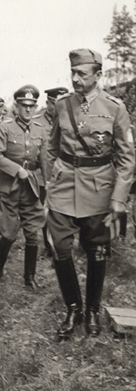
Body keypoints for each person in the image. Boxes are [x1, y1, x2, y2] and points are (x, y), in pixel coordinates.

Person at [46, 48, 135, 339]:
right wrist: (50, 180)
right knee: (59, 246)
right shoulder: (62, 105)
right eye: (72, 72)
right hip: (63, 186)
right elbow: (52, 147)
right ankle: (73, 308)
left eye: (81, 74)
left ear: (98, 75)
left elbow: (126, 158)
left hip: (99, 186)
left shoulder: (114, 107)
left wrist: (119, 197)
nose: (75, 78)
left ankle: (93, 310)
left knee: (96, 249)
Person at [0, 85, 47, 290]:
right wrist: (16, 169)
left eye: (32, 105)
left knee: (33, 232)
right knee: (8, 232)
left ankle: (29, 277)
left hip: (31, 186)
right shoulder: (5, 128)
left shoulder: (40, 130)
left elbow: (44, 160)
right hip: (9, 185)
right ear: (16, 106)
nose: (28, 110)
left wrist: (47, 186)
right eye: (24, 105)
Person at [34, 87, 68, 258]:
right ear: (48, 103)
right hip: (43, 176)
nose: (58, 107)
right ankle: (48, 246)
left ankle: (61, 245)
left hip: (63, 174)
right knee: (45, 211)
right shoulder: (37, 121)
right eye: (54, 104)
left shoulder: (67, 120)